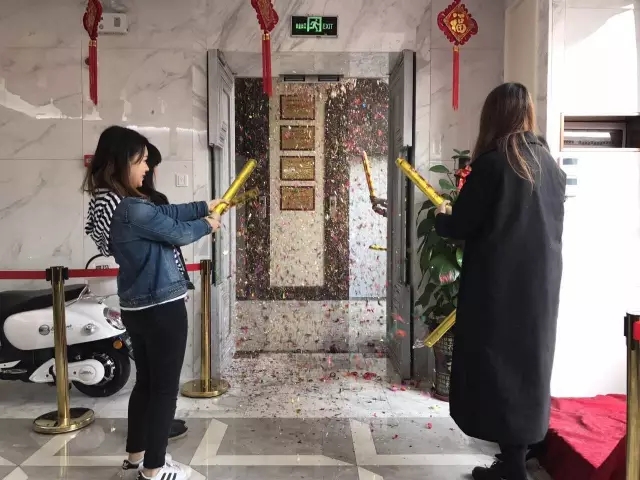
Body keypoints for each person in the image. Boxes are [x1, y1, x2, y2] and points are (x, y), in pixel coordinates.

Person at [433, 83, 566, 480]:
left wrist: (442, 215)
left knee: (495, 369)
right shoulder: (550, 166)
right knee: (526, 368)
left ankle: (513, 468)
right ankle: (513, 463)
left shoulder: (493, 165)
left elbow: (461, 225)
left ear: (493, 116)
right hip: (539, 289)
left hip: (498, 289)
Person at [83, 125, 225, 480]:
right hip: (162, 308)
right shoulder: (131, 209)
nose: (147, 168)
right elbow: (178, 231)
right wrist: (208, 223)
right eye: (142, 160)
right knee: (163, 389)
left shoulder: (112, 204)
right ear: (122, 161)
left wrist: (204, 205)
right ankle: (155, 468)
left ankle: (135, 458)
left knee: (145, 385)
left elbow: (168, 215)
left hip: (136, 307)